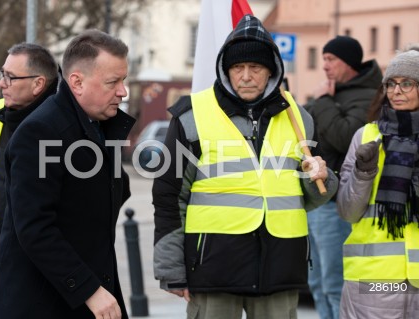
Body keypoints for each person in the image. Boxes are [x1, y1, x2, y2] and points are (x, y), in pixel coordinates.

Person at [152, 14, 338, 319]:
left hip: (280, 268)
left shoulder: (298, 117)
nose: (246, 76)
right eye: (238, 67)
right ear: (226, 70)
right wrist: (172, 269)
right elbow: (169, 196)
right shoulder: (192, 115)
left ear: (272, 71)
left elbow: (312, 198)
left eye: (256, 67)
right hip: (213, 268)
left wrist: (324, 178)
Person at [0, 30, 135, 319]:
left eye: (123, 80)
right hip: (38, 303)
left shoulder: (97, 126)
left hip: (78, 294)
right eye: (113, 82)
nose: (123, 91)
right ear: (76, 82)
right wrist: (90, 289)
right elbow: (35, 228)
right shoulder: (41, 131)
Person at [304, 35, 383, 319]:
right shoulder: (334, 91)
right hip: (315, 199)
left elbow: (344, 137)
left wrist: (323, 100)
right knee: (317, 282)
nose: (324, 65)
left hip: (335, 203)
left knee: (334, 282)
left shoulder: (368, 95)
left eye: (331, 59)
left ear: (348, 63)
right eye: (323, 59)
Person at [337, 49, 419, 318]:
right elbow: (348, 211)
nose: (397, 91)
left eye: (406, 83)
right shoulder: (366, 137)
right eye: (391, 84)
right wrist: (364, 172)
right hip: (374, 278)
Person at [0, 43, 59, 283]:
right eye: (3, 74)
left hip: (35, 250)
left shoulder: (60, 122)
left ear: (38, 84)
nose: (2, 84)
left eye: (10, 77)